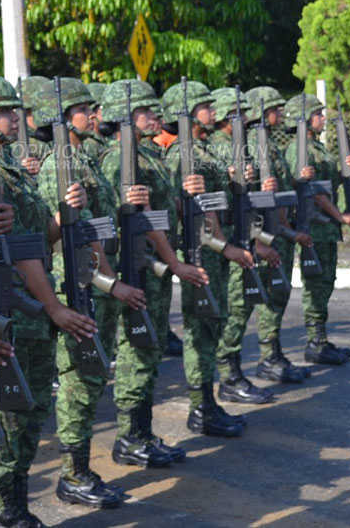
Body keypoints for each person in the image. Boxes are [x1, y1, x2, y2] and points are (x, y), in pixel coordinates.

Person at [0, 72, 95, 528]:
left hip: (31, 309)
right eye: (3, 111)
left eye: (13, 110)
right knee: (7, 423)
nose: (14, 118)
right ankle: (3, 513)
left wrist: (62, 215)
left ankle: (18, 507)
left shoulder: (12, 169)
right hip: (4, 311)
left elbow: (35, 243)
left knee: (29, 418)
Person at [35, 76, 148, 509]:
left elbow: (99, 229)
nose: (95, 115)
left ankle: (81, 469)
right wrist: (110, 283)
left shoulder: (86, 163)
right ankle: (73, 474)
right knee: (79, 383)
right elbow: (62, 241)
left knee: (92, 380)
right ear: (64, 119)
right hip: (78, 287)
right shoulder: (55, 170)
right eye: (85, 108)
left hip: (99, 285)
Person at [96, 80, 209, 469]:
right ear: (123, 116)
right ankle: (129, 436)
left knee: (152, 350)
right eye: (145, 110)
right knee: (137, 352)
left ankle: (142, 432)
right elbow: (131, 220)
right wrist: (174, 262)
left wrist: (183, 194)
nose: (154, 115)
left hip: (154, 268)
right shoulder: (118, 160)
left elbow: (160, 210)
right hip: (138, 267)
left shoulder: (150, 155)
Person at [160, 81, 256, 438]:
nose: (212, 109)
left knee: (213, 326)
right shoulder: (179, 156)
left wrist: (235, 181)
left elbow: (213, 204)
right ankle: (200, 407)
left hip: (216, 253)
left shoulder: (203, 151)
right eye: (204, 104)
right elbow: (179, 214)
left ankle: (209, 403)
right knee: (200, 332)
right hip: (199, 254)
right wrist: (223, 247)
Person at [206, 88, 282, 406]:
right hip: (227, 241)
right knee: (235, 310)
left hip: (240, 237)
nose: (247, 118)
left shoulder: (238, 146)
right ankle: (229, 377)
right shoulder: (216, 149)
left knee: (241, 308)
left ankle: (233, 373)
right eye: (239, 113)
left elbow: (245, 203)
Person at [240, 86, 314, 384]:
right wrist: (262, 239)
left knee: (279, 295)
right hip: (265, 234)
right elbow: (252, 198)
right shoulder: (252, 146)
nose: (280, 112)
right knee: (269, 297)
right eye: (274, 107)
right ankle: (267, 358)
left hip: (278, 230)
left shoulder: (269, 144)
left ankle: (273, 353)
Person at [284, 94, 350, 365]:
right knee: (316, 282)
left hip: (325, 226)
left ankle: (320, 339)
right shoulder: (300, 149)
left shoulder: (317, 147)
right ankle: (315, 342)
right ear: (304, 118)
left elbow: (327, 186)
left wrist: (346, 172)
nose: (323, 117)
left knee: (326, 281)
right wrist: (340, 216)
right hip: (314, 225)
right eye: (318, 113)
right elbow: (314, 192)